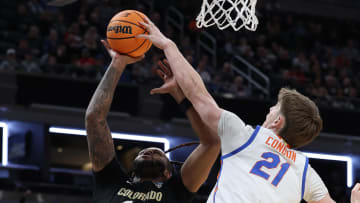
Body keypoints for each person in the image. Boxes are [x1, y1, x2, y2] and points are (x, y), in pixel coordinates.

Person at [137, 16, 336, 202]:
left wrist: (168, 45)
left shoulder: (246, 136)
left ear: (278, 121)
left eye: (275, 108)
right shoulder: (304, 170)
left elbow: (198, 93)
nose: (269, 109)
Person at [85, 40, 220, 203]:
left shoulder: (177, 189)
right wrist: (117, 63)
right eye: (143, 153)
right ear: (132, 170)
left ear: (168, 173)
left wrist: (180, 95)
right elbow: (94, 118)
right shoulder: (110, 182)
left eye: (158, 153)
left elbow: (212, 142)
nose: (149, 152)